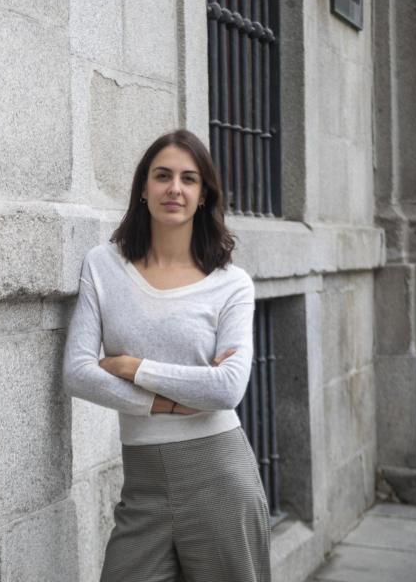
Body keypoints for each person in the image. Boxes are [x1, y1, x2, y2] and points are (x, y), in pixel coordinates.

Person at [62, 128, 271, 582]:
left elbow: (227, 387)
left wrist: (133, 368)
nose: (174, 188)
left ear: (203, 195)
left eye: (188, 178)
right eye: (162, 176)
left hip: (219, 475)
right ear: (143, 188)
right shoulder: (102, 265)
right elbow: (77, 373)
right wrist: (166, 402)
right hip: (143, 485)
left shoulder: (231, 284)